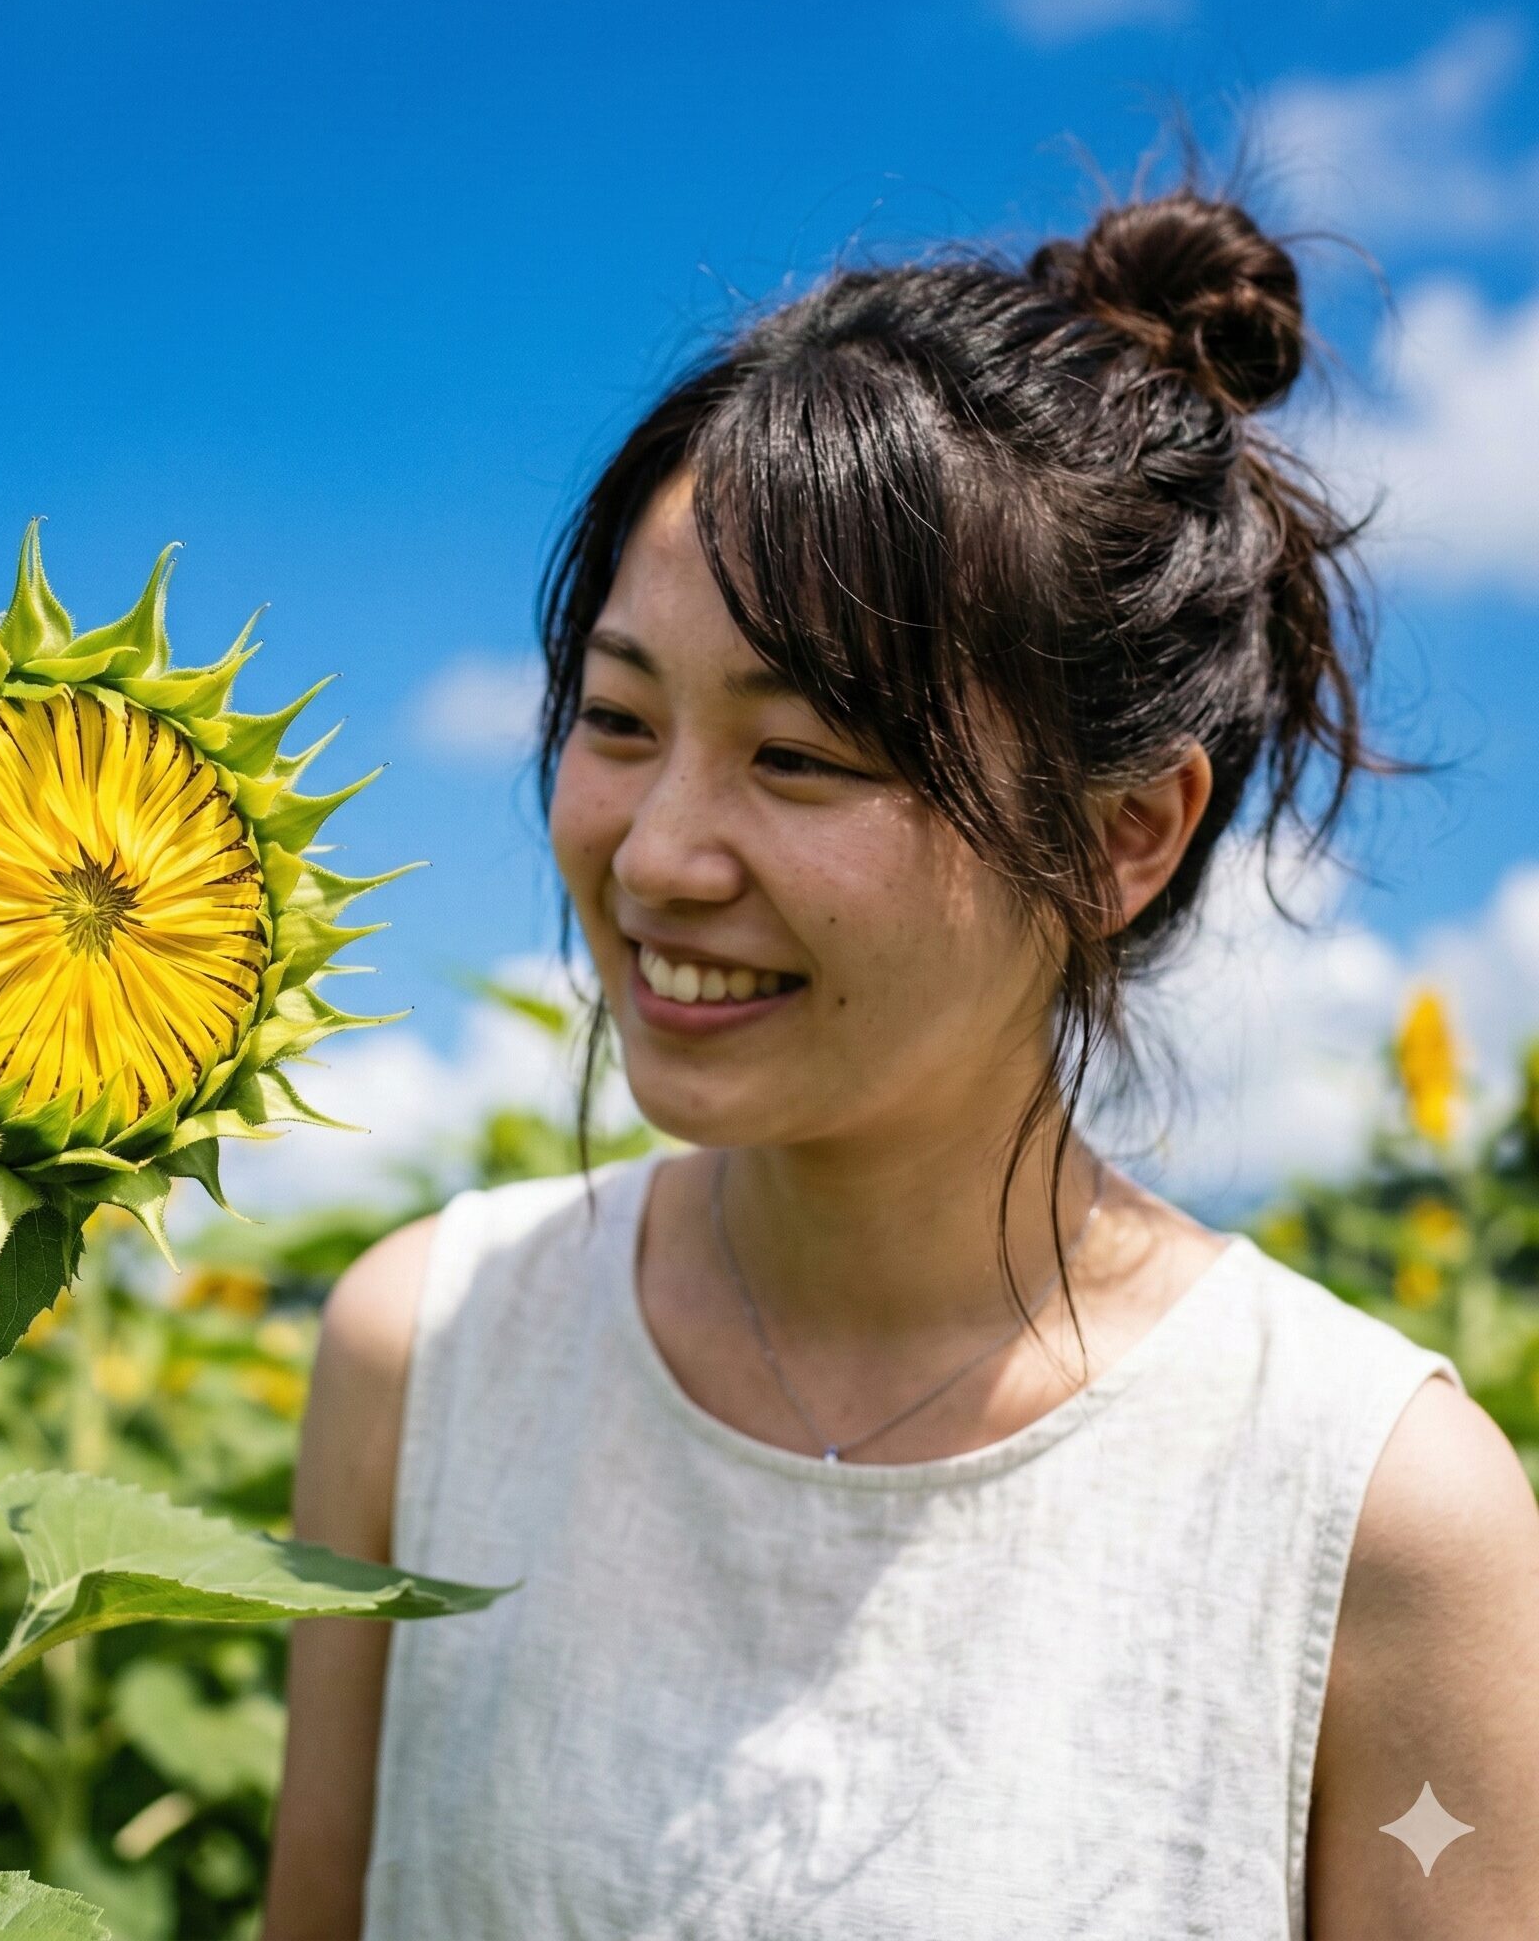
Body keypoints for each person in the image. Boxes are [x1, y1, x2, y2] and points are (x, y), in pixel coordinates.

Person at [258, 188, 1539, 1940]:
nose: (655, 858)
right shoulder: (430, 1355)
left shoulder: (1375, 1515)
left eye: (799, 756)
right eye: (620, 721)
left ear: (1124, 837)